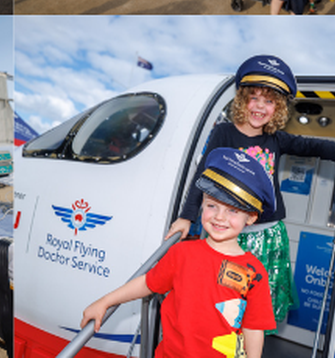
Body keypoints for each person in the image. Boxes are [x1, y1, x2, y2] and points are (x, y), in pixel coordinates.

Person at [164, 55, 335, 331]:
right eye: (253, 97)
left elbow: (310, 146)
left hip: (267, 236)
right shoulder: (224, 134)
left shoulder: (276, 139)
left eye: (269, 101)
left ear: (277, 109)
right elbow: (201, 178)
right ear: (242, 101)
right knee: (222, 306)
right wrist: (186, 217)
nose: (260, 106)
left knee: (255, 308)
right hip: (227, 235)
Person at [82, 148, 277, 358]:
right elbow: (148, 282)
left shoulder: (254, 272)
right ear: (202, 204)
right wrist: (105, 301)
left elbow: (254, 327)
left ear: (251, 218)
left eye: (233, 210)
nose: (220, 217)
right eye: (212, 205)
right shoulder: (182, 253)